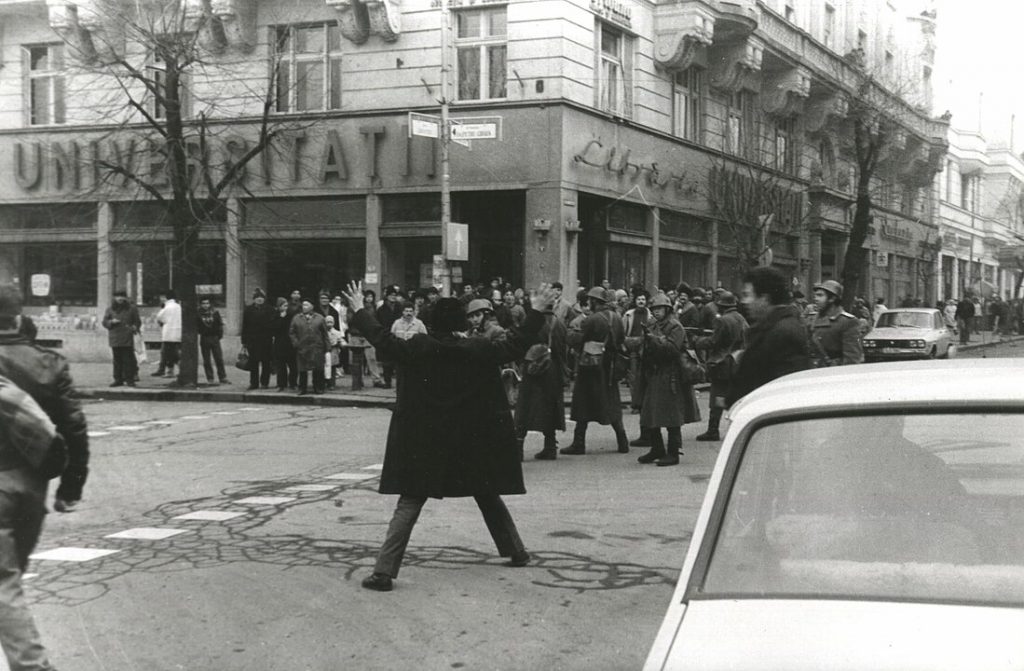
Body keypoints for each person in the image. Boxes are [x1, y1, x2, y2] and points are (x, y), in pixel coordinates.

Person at [344, 281, 556, 592]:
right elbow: (517, 342)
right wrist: (537, 310)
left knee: (410, 501)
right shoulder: (479, 349)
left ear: (430, 323)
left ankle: (384, 572)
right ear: (462, 323)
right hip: (470, 442)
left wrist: (360, 310)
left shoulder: (418, 347)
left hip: (427, 442)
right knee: (486, 494)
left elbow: (382, 339)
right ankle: (517, 551)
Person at [0, 285, 90, 514]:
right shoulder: (48, 364)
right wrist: (71, 488)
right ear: (18, 320)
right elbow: (74, 427)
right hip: (24, 478)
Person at [0, 373, 62, 670]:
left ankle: (32, 666)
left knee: (2, 583)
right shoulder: (7, 387)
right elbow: (51, 437)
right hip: (24, 486)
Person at [727, 267, 811, 407]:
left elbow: (784, 391)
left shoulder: (783, 332)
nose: (744, 301)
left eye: (748, 295)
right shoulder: (772, 328)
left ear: (764, 298)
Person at [635, 293, 700, 467]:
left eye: (659, 309)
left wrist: (653, 340)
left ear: (667, 309)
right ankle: (657, 448)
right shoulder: (653, 324)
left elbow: (672, 349)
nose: (656, 312)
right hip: (655, 373)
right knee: (650, 413)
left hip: (671, 375)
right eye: (654, 309)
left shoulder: (675, 326)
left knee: (672, 416)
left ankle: (673, 452)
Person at [562, 287, 630, 455]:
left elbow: (577, 339)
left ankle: (579, 443)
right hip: (610, 367)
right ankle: (623, 441)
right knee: (612, 403)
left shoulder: (591, 320)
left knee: (582, 404)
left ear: (594, 301)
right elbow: (621, 340)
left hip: (590, 368)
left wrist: (569, 333)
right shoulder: (616, 318)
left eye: (590, 300)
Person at [515, 303, 568, 461]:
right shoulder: (559, 323)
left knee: (524, 409)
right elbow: (562, 350)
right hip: (552, 371)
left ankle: (518, 449)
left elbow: (520, 343)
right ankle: (550, 447)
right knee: (550, 408)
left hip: (532, 371)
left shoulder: (532, 322)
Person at [693, 291, 747, 441]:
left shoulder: (723, 320)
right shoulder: (741, 318)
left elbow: (714, 342)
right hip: (737, 362)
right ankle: (738, 426)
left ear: (721, 306)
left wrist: (697, 341)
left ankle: (713, 429)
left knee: (717, 396)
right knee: (734, 396)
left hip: (722, 363)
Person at [809, 280, 863, 367]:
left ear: (832, 298)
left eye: (820, 295)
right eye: (815, 295)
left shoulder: (847, 321)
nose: (816, 299)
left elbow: (852, 358)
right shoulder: (811, 319)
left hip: (832, 372)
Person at [289, 298, 330, 395]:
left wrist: (327, 347)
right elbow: (292, 332)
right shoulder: (296, 318)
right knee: (302, 369)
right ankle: (302, 388)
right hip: (302, 346)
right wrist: (296, 343)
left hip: (317, 347)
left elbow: (325, 333)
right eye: (303, 305)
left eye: (307, 305)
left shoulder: (319, 318)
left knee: (318, 368)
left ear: (312, 306)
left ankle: (318, 387)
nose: (304, 307)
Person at [102, 289, 141, 388]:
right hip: (115, 337)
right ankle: (118, 379)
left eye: (122, 296)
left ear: (125, 298)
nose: (120, 298)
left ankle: (130, 380)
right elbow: (104, 322)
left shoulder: (132, 309)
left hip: (127, 337)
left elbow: (137, 322)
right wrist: (111, 322)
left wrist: (135, 327)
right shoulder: (110, 309)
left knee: (128, 360)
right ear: (114, 298)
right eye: (118, 296)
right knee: (117, 360)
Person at [241, 288, 275, 390]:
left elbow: (273, 325)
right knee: (253, 362)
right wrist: (244, 341)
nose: (259, 299)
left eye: (261, 298)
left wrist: (272, 336)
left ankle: (265, 382)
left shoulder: (269, 309)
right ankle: (253, 383)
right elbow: (245, 326)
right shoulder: (248, 310)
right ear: (254, 299)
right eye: (257, 298)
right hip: (253, 340)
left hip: (266, 340)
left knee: (266, 362)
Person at [197, 297, 229, 385]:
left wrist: (219, 335)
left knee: (219, 358)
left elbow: (219, 324)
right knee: (206, 360)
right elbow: (197, 326)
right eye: (203, 303)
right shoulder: (198, 314)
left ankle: (222, 377)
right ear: (200, 304)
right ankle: (210, 378)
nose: (206, 305)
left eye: (207, 303)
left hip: (214, 337)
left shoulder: (215, 313)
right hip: (205, 337)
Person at [152, 290, 181, 378]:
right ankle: (170, 370)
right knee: (175, 353)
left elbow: (159, 317)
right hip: (178, 333)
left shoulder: (167, 307)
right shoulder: (179, 306)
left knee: (167, 353)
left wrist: (163, 322)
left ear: (166, 297)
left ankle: (169, 371)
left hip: (168, 334)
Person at [272, 297, 296, 391]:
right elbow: (274, 328)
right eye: (283, 305)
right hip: (279, 343)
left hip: (289, 343)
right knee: (281, 366)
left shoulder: (291, 316)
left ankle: (293, 383)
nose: (285, 307)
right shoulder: (275, 316)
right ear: (279, 306)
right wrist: (281, 318)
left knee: (293, 365)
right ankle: (281, 384)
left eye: (286, 305)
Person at [325, 316, 344, 389]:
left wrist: (341, 344)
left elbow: (341, 341)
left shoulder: (337, 333)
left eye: (331, 322)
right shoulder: (323, 332)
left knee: (333, 368)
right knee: (325, 368)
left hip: (334, 351)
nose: (329, 324)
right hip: (326, 351)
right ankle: (326, 382)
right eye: (327, 322)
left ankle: (332, 384)